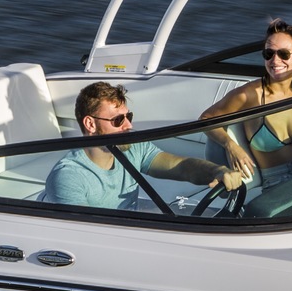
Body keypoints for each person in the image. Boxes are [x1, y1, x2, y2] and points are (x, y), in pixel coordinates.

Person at [44, 81, 248, 209]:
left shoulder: (131, 148)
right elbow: (86, 235)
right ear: (90, 124)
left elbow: (181, 167)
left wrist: (216, 171)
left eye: (128, 116)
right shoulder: (69, 178)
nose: (128, 125)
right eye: (118, 120)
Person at [201, 17, 292, 188]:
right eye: (269, 54)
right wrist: (231, 145)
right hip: (277, 182)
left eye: (284, 54)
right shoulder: (249, 95)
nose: (275, 60)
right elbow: (205, 120)